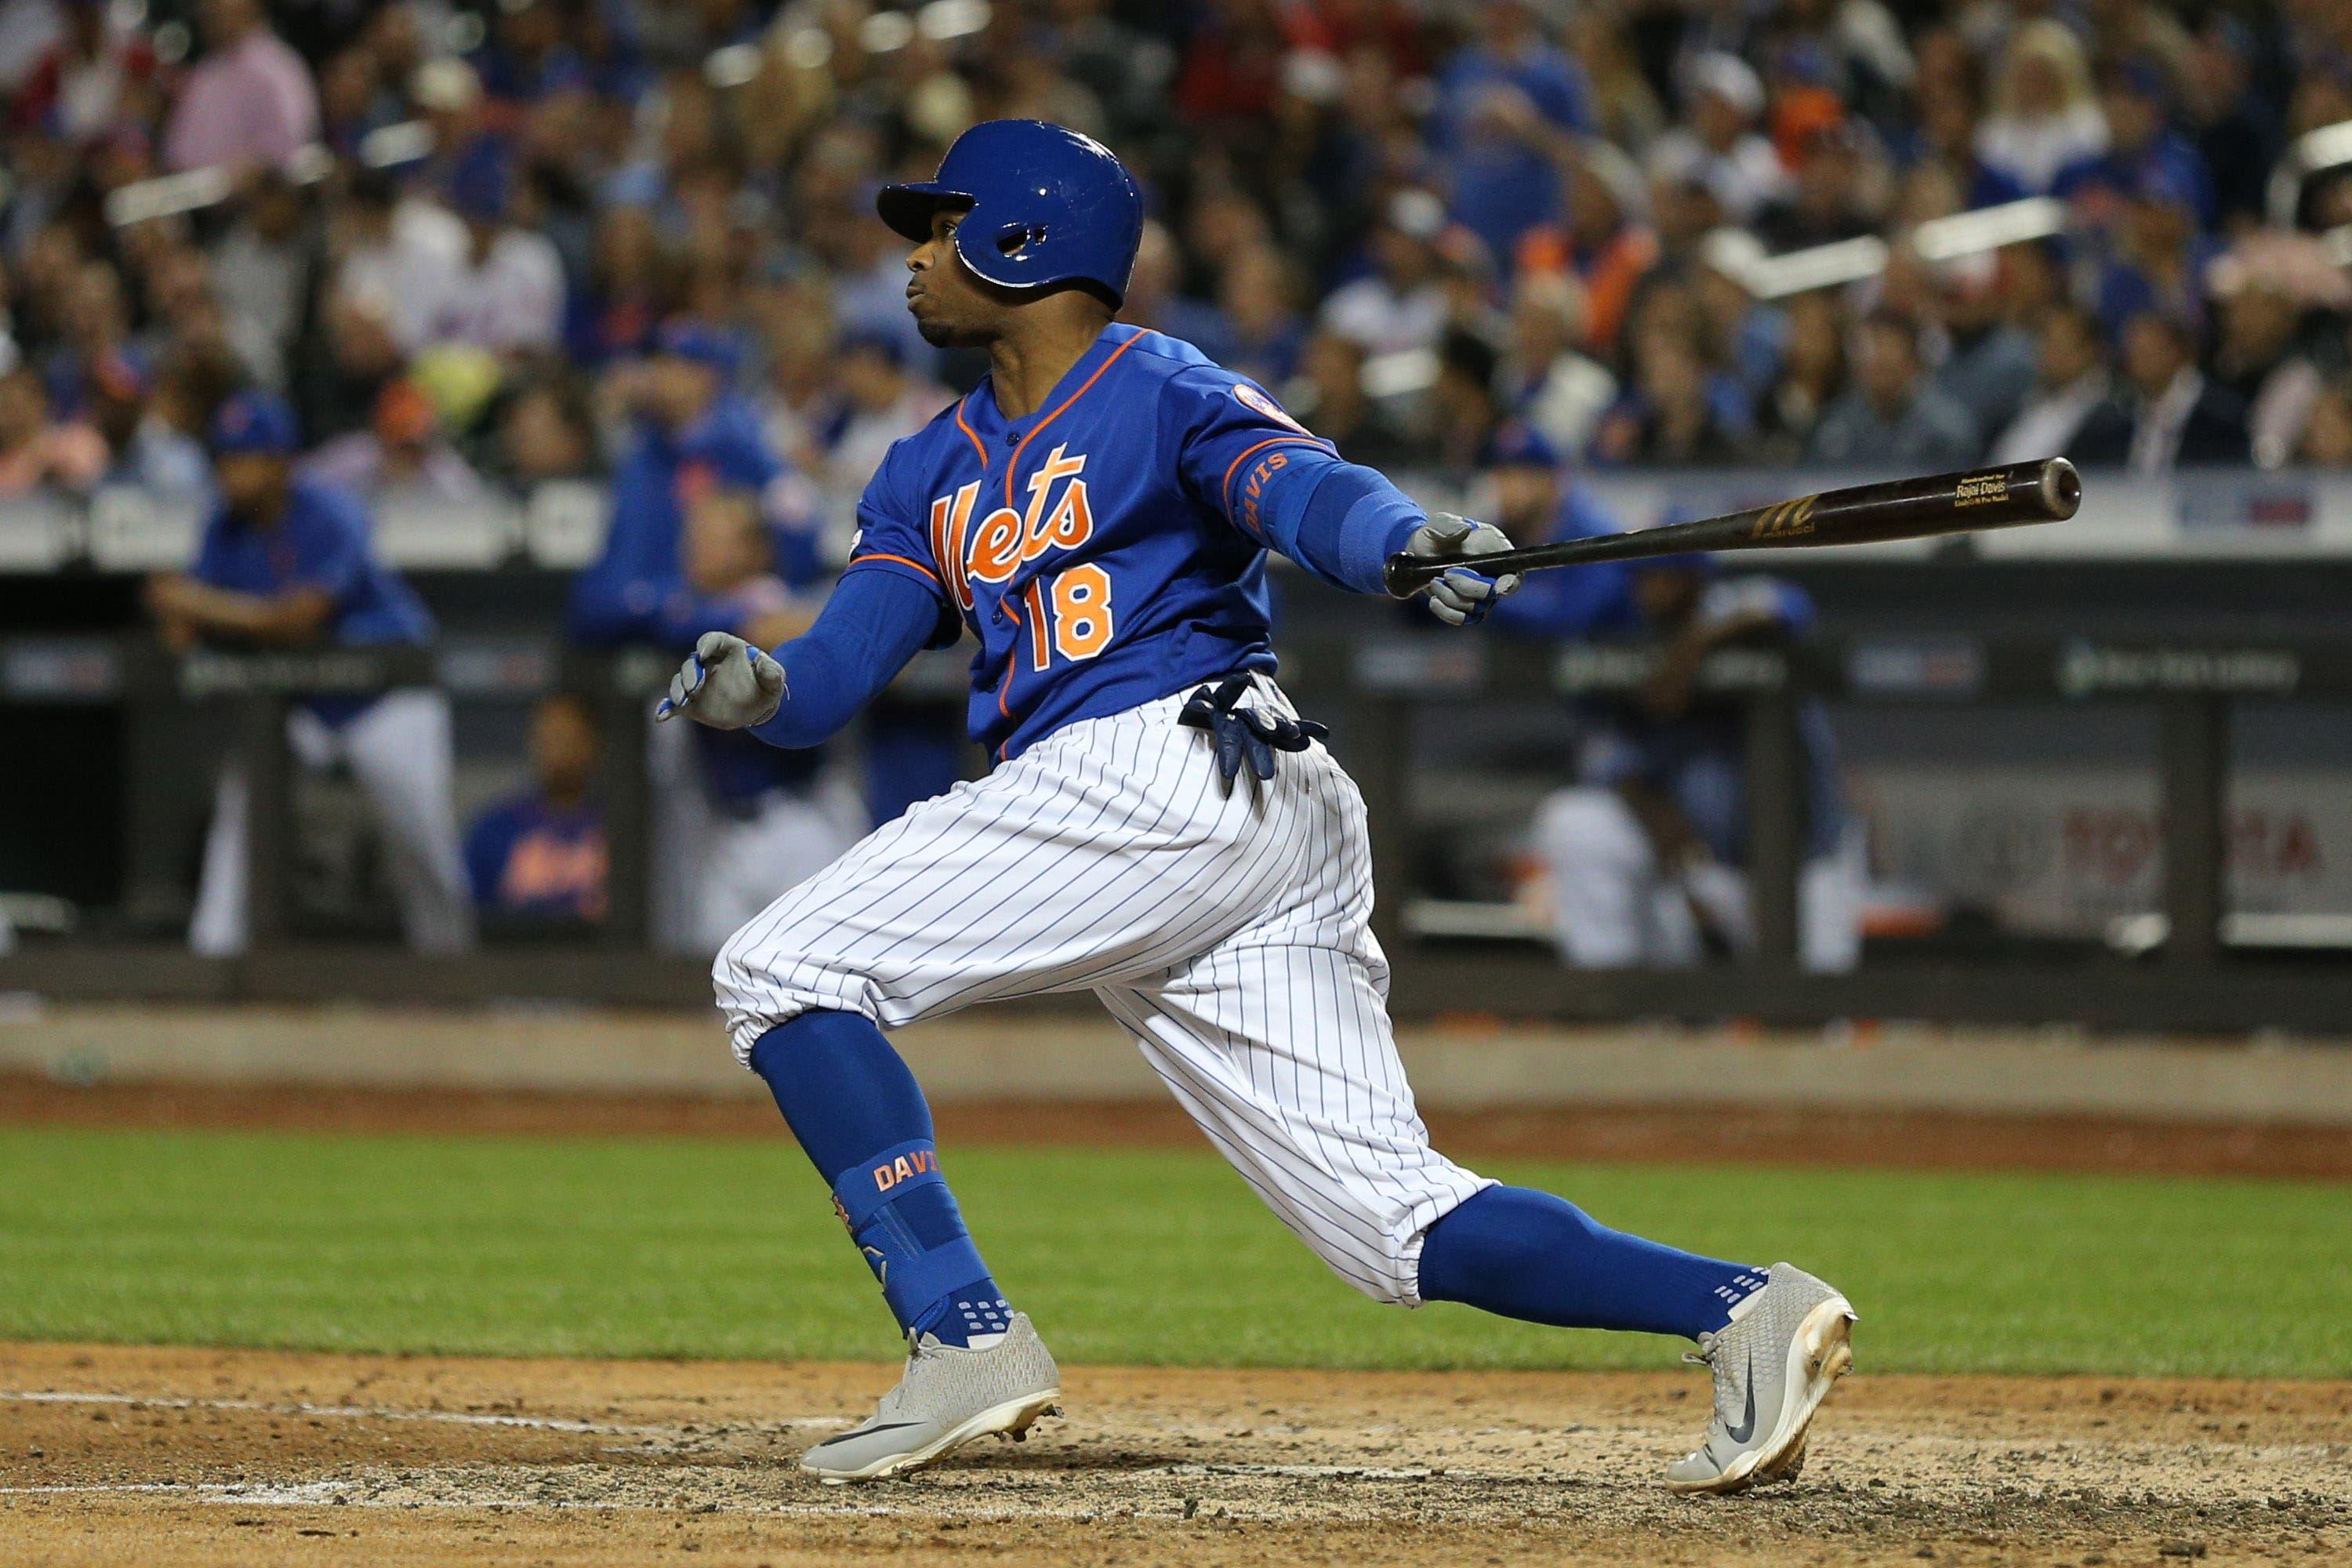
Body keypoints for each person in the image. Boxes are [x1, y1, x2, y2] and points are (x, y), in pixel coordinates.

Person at [659, 120, 1853, 1494]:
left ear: (1022, 241)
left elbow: (1301, 489)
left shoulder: (1157, 384)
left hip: (1161, 767)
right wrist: (763, 689)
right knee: (1390, 1228)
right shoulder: (924, 469)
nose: (916, 259)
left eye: (941, 228)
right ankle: (1743, 1310)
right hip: (1236, 815)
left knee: (780, 965)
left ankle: (963, 1335)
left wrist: (1400, 540)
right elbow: (836, 675)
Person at [145, 390, 472, 956]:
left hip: (386, 693)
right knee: (243, 800)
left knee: (420, 836)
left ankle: (451, 964)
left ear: (281, 463)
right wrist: (191, 611)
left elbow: (297, 620)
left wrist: (199, 604)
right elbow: (178, 626)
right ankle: (216, 951)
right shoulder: (223, 527)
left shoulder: (332, 511)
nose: (230, 472)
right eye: (224, 457)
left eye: (245, 457)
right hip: (303, 702)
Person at [1516, 539, 1864, 975]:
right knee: (1575, 819)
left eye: (1662, 577)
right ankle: (1613, 1001)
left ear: (1694, 579)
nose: (1647, 591)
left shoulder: (1733, 609)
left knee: (1817, 1013)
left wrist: (1693, 649)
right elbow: (1613, 761)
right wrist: (1679, 851)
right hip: (1701, 865)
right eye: (1641, 578)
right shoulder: (1630, 637)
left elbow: (1789, 606)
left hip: (1802, 867)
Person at [465, 692, 608, 929]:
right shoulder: (494, 829)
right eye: (548, 738)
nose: (557, 751)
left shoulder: (624, 826)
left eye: (567, 737)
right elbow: (471, 919)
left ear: (593, 743)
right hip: (517, 959)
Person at [1806, 310, 1980, 468]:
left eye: (1888, 354)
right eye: (1870, 353)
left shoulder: (1946, 431)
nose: (1877, 360)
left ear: (1912, 360)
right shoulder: (1836, 424)